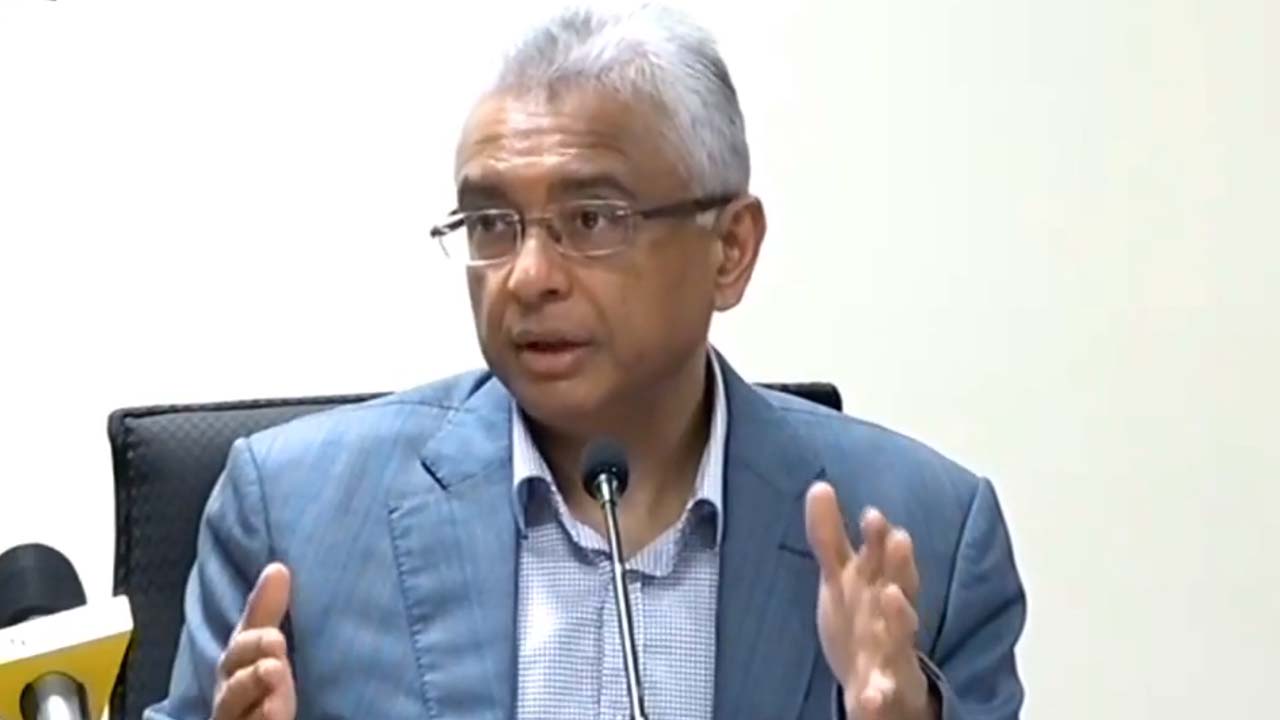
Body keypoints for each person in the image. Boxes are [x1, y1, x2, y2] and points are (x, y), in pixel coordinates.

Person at [145, 5, 1025, 719]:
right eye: (491, 224)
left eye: (592, 219)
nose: (529, 276)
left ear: (730, 249)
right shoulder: (292, 521)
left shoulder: (935, 538)